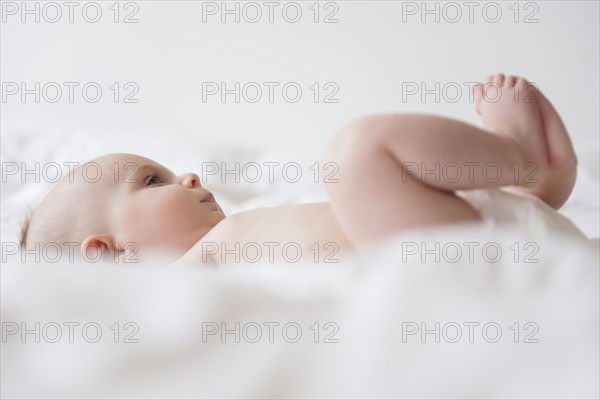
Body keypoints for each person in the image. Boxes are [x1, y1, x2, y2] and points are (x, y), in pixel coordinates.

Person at [20, 74, 578, 265]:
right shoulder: (175, 283)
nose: (190, 177)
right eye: (152, 181)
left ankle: (522, 199)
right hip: (426, 254)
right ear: (110, 251)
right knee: (352, 155)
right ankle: (518, 159)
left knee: (365, 173)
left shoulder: (240, 233)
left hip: (448, 232)